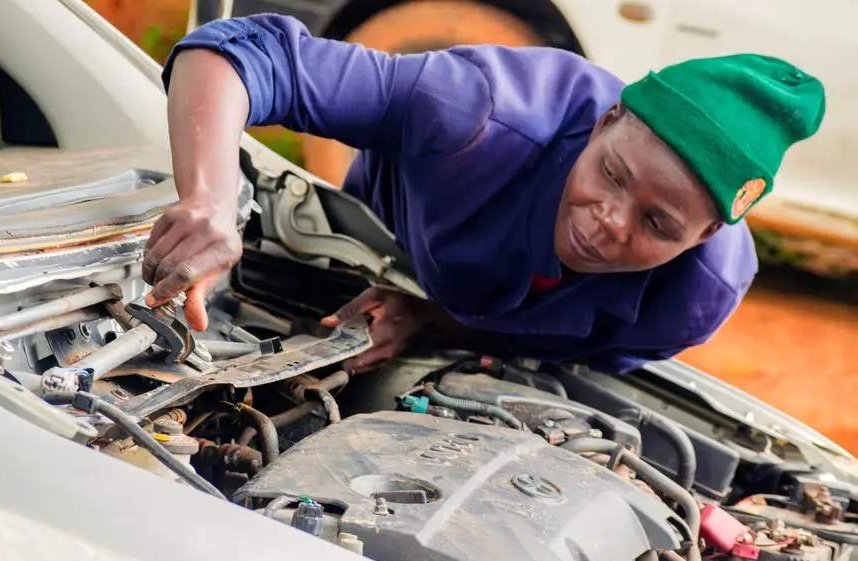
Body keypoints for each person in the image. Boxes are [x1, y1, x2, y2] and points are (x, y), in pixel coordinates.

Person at [142, 13, 825, 375]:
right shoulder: (475, 110)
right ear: (606, 119)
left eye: (658, 223)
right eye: (612, 175)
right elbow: (239, 50)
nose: (610, 222)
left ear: (705, 237)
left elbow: (574, 357)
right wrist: (209, 196)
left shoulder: (696, 295)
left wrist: (434, 322)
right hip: (362, 249)